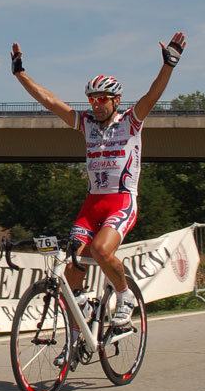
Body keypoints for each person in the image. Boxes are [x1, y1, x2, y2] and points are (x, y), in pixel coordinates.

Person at [10, 31, 186, 330]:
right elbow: (50, 101)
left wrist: (169, 64)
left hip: (121, 201)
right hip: (92, 204)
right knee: (73, 267)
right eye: (91, 99)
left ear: (116, 99)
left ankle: (125, 296)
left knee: (103, 251)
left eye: (101, 99)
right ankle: (79, 334)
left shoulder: (131, 120)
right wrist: (20, 73)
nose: (95, 104)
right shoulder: (87, 124)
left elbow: (152, 95)